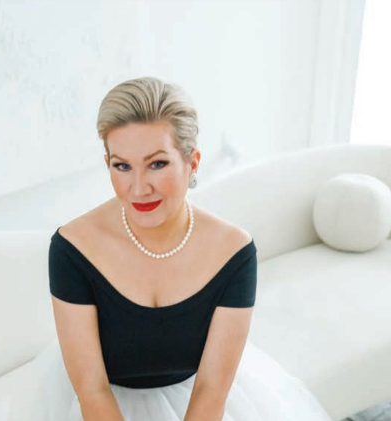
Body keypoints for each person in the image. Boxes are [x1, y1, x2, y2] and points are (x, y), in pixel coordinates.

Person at [35, 77, 333, 421]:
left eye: (157, 164)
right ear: (108, 165)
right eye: (122, 166)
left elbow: (211, 390)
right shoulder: (73, 248)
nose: (138, 187)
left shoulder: (233, 252)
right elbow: (91, 389)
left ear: (192, 162)